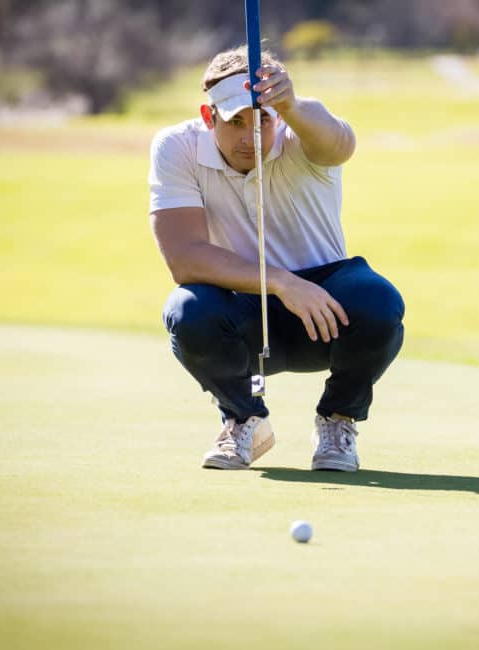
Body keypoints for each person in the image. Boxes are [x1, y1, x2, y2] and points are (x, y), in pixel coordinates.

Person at [148, 46, 404, 472]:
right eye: (235, 121)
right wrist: (283, 282)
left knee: (379, 301)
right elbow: (184, 258)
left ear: (279, 115)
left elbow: (341, 144)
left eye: (262, 118)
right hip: (241, 317)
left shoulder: (303, 131)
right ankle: (244, 418)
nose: (250, 134)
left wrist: (290, 104)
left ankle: (337, 419)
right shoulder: (177, 147)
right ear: (209, 117)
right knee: (186, 310)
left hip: (323, 315)